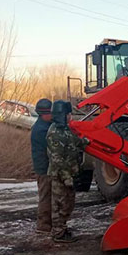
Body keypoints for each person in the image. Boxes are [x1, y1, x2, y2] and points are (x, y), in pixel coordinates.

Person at [46, 100, 89, 243]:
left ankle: (62, 228)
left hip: (70, 173)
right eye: (68, 114)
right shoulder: (54, 133)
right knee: (59, 203)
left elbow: (75, 142)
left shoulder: (66, 130)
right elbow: (57, 159)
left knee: (69, 203)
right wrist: (66, 177)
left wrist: (86, 142)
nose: (71, 116)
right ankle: (58, 233)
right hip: (60, 175)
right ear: (61, 115)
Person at [30, 98, 53, 234]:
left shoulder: (43, 126)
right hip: (44, 169)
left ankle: (47, 224)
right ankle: (43, 225)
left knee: (48, 196)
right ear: (44, 113)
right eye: (51, 113)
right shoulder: (41, 130)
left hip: (44, 167)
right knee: (45, 196)